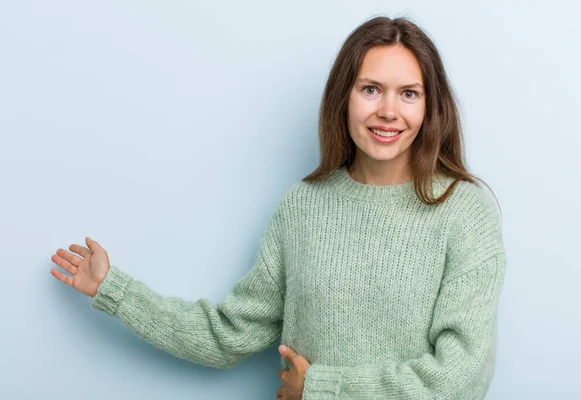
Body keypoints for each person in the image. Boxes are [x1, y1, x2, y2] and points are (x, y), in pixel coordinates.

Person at [50, 15, 506, 400]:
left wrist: (322, 388)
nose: (389, 110)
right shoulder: (303, 208)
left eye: (409, 93)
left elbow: (461, 378)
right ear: (343, 98)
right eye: (370, 89)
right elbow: (229, 335)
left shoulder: (464, 211)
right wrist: (116, 291)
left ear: (430, 107)